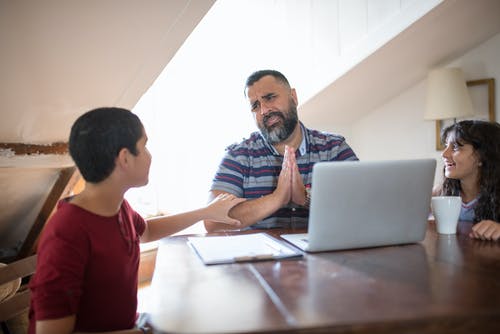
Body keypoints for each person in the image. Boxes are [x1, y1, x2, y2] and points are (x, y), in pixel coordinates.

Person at [28, 107, 245, 334]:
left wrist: (205, 212)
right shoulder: (67, 232)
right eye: (144, 146)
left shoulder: (116, 206)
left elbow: (147, 231)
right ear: (125, 158)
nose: (150, 155)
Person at [204, 70, 358, 232]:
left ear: (294, 97)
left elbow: (364, 206)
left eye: (270, 97)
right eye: (255, 106)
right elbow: (212, 221)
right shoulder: (238, 156)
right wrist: (277, 198)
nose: (264, 110)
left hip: (326, 256)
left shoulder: (334, 148)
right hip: (261, 256)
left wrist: (306, 198)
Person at [433, 120, 500, 241]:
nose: (444, 154)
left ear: (482, 156)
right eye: (446, 146)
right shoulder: (439, 193)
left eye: (455, 147)